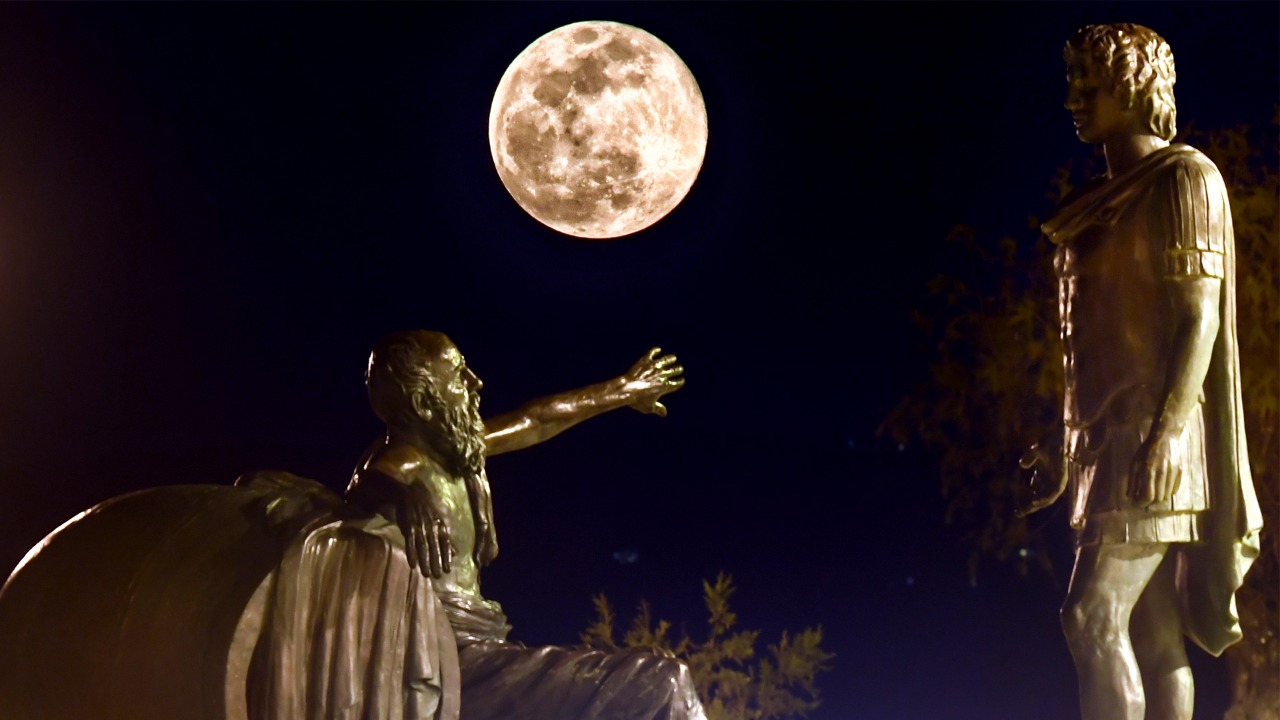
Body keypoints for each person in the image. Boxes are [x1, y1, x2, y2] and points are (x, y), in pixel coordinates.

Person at [1017, 23, 1262, 720]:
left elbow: (1199, 321)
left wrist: (1164, 434)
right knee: (1154, 635)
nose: (1073, 97)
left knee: (1090, 616)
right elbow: (1084, 345)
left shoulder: (1186, 180)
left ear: (1131, 86)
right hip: (1103, 441)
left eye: (1088, 83)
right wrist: (1061, 446)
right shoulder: (1089, 211)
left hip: (1157, 436)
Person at [346, 330, 705, 720]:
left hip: (485, 650)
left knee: (653, 676)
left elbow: (537, 418)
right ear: (422, 403)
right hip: (448, 664)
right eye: (458, 375)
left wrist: (624, 389)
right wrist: (406, 497)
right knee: (662, 681)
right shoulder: (405, 463)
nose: (475, 383)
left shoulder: (453, 453)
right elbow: (368, 480)